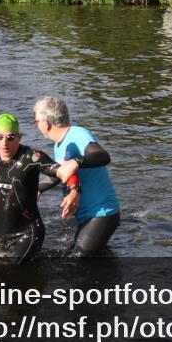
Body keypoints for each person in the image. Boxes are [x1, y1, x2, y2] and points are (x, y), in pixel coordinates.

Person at [0, 113, 79, 265]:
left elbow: (64, 171)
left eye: (10, 137)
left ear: (19, 137)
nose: (4, 143)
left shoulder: (32, 157)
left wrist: (74, 191)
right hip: (0, 232)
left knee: (14, 273)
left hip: (27, 232)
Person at [33, 97, 120, 255]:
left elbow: (102, 156)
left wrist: (76, 161)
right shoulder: (59, 144)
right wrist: (38, 189)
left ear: (45, 123)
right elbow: (61, 174)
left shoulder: (78, 134)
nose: (37, 125)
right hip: (87, 215)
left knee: (78, 262)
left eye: (36, 121)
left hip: (102, 213)